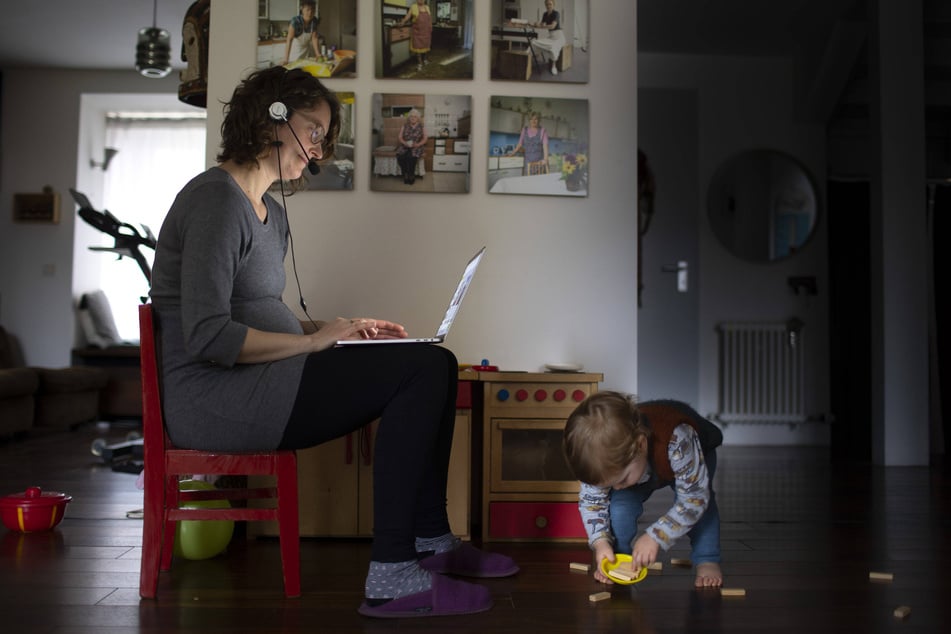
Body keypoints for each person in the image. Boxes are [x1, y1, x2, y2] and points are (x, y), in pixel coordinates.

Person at [148, 66, 517, 618]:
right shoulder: (215, 203)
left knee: (434, 363)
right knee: (421, 371)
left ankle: (429, 542)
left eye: (324, 136)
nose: (318, 150)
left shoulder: (270, 213)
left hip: (261, 381)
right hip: (217, 399)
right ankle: (394, 574)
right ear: (273, 117)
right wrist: (312, 345)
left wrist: (338, 329)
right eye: (314, 131)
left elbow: (258, 315)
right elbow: (206, 336)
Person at [563, 391, 724, 587]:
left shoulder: (678, 438)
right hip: (643, 466)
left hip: (693, 455)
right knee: (619, 507)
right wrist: (600, 543)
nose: (617, 487)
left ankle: (707, 557)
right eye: (608, 485)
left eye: (621, 479)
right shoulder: (599, 461)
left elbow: (694, 500)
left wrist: (656, 536)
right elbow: (593, 503)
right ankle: (618, 558)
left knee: (702, 508)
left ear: (640, 444)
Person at [531, 0, 566, 75]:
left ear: (553, 5)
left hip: (559, 37)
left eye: (550, 4)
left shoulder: (556, 13)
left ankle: (554, 66)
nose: (548, 6)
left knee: (553, 47)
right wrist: (535, 24)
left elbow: (553, 26)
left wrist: (543, 26)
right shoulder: (545, 14)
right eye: (547, 4)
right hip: (551, 36)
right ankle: (532, 57)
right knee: (534, 42)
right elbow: (541, 25)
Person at [281, 0, 320, 65]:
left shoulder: (314, 21)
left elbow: (314, 38)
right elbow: (289, 40)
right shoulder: (295, 21)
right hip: (294, 52)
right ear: (302, 9)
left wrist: (318, 54)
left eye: (313, 9)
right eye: (308, 9)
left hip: (306, 51)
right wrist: (286, 59)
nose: (310, 12)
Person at [398, 0, 433, 71]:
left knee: (426, 47)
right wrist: (403, 21)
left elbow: (429, 19)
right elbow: (408, 16)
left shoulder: (427, 7)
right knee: (418, 48)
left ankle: (425, 60)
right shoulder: (413, 7)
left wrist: (431, 27)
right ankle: (420, 63)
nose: (421, 0)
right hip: (417, 32)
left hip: (426, 32)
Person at [396, 108, 427, 185]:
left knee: (411, 157)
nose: (413, 118)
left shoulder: (421, 126)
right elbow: (400, 137)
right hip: (405, 145)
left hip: (416, 146)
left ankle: (411, 175)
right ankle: (405, 174)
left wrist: (418, 144)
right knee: (400, 157)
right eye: (411, 116)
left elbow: (425, 138)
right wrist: (405, 143)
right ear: (409, 118)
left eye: (415, 116)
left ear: (418, 118)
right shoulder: (405, 126)